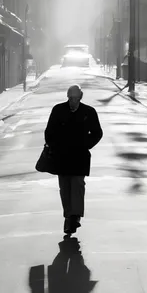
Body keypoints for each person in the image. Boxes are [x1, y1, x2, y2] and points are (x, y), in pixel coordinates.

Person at [44, 84, 103, 235]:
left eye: (76, 98)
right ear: (67, 97)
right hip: (61, 157)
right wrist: (55, 146)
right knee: (65, 188)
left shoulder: (88, 112)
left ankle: (75, 217)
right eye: (70, 98)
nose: (73, 101)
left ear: (81, 98)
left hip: (80, 157)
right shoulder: (58, 110)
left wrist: (86, 145)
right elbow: (49, 131)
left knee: (77, 185)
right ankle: (68, 216)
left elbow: (97, 133)